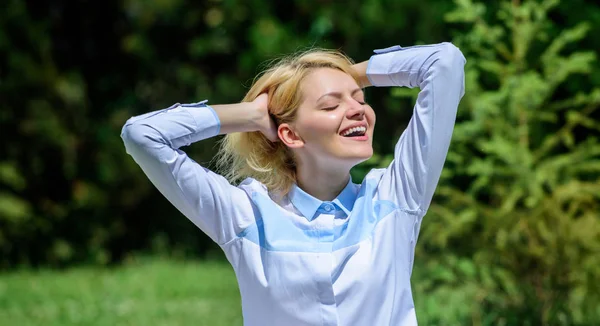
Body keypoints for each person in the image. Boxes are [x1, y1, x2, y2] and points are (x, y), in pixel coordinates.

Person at [121, 41, 466, 326]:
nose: (357, 109)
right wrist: (251, 116)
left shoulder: (394, 197)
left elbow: (444, 63)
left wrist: (355, 75)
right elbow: (143, 135)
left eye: (360, 99)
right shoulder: (246, 215)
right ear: (290, 134)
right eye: (332, 104)